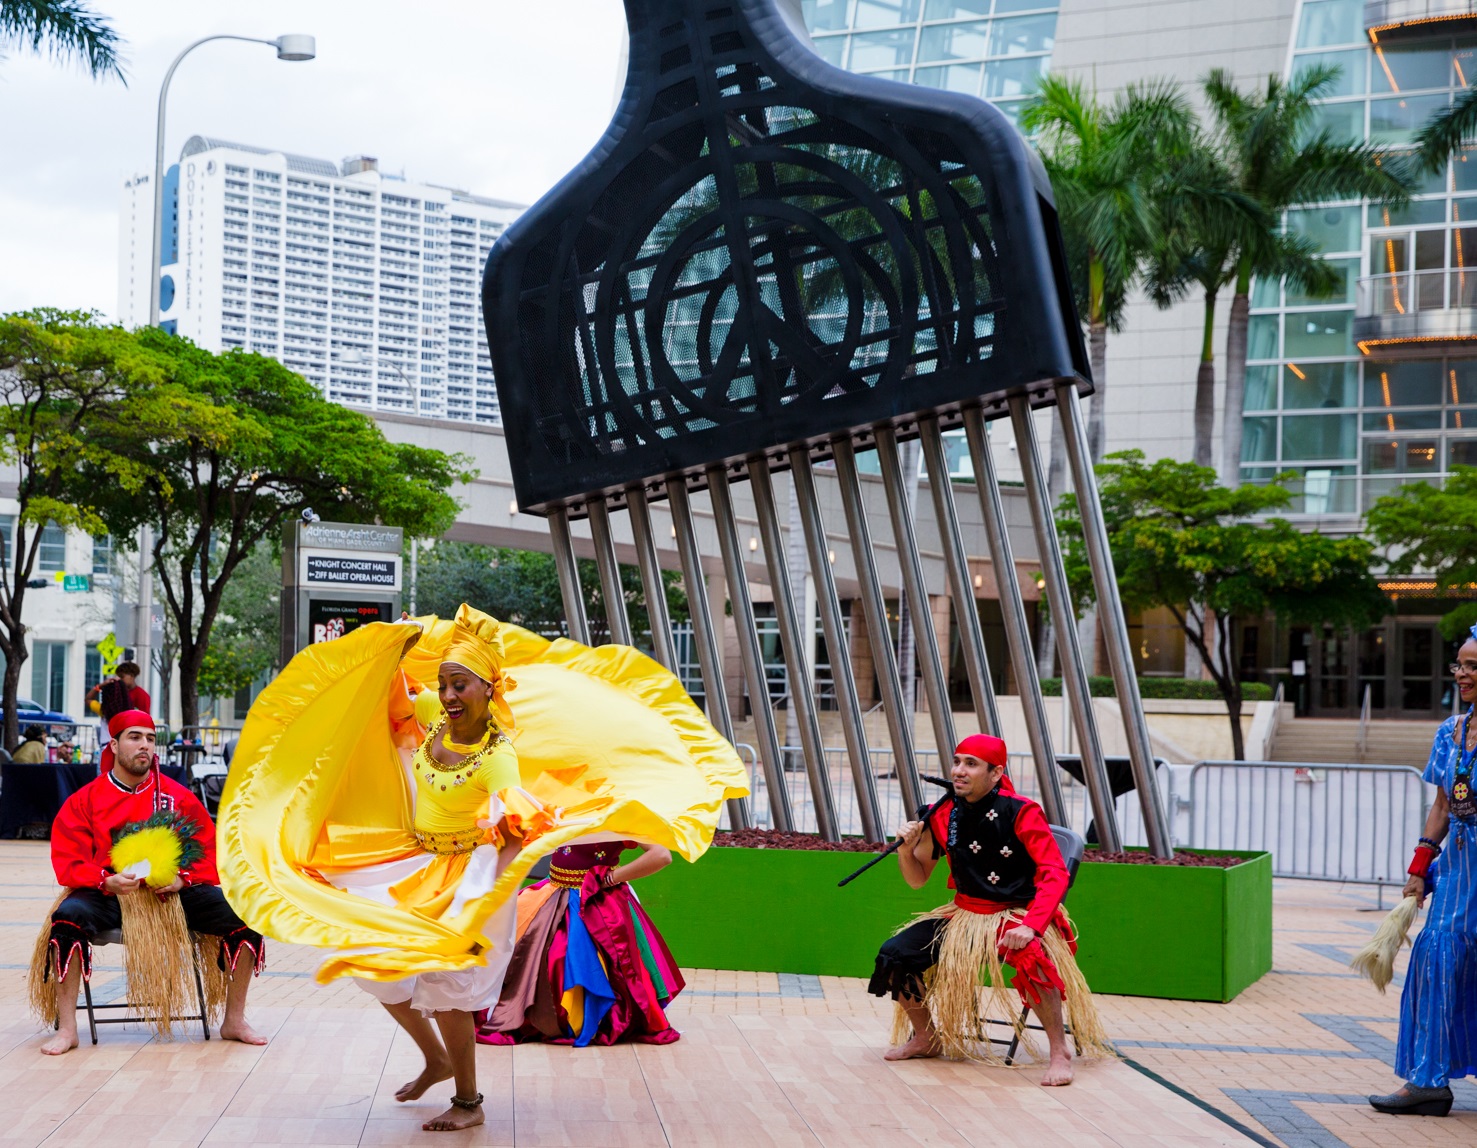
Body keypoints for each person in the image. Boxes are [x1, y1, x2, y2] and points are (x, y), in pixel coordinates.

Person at [215, 605, 747, 1133]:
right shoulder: (430, 717)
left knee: (446, 986)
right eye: (444, 683)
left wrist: (491, 888)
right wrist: (397, 645)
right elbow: (391, 694)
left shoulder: (498, 756)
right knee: (371, 961)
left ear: (489, 690)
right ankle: (436, 1060)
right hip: (414, 861)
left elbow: (512, 821)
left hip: (470, 873)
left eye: (460, 686)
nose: (447, 696)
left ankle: (468, 1101)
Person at [868, 733, 1110, 1084]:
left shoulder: (1022, 812)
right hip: (963, 914)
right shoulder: (940, 814)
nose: (959, 771)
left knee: (1031, 956)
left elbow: (1055, 874)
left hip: (1014, 915)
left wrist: (1032, 925)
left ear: (995, 773)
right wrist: (906, 850)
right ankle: (926, 1037)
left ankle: (1060, 1052)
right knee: (894, 955)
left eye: (971, 764)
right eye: (956, 761)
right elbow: (918, 878)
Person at [36, 708, 266, 1056]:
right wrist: (105, 879)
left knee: (247, 916)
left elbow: (209, 849)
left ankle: (234, 1020)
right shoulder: (85, 800)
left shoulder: (176, 797)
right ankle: (68, 1029)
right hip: (109, 894)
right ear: (113, 745)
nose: (145, 745)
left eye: (150, 738)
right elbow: (68, 859)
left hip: (171, 896)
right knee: (67, 920)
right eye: (135, 737)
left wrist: (182, 879)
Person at [1370, 627, 1477, 1117]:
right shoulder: (1450, 730)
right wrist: (1419, 868)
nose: (1463, 674)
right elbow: (1440, 802)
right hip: (1456, 871)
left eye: (1473, 666)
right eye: (1460, 665)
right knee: (1437, 962)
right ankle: (1428, 1083)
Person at [477, 838, 683, 1046]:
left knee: (571, 957)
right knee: (516, 944)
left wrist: (612, 878)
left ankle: (580, 1019)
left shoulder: (621, 808)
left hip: (598, 902)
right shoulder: (566, 805)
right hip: (552, 892)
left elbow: (661, 855)